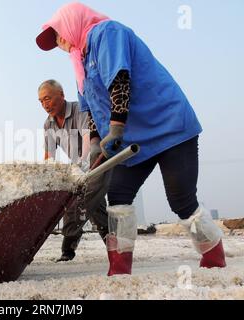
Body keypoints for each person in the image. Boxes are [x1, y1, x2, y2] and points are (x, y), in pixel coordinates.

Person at [36, 2, 226, 276]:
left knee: (181, 201)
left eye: (59, 33)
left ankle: (213, 257)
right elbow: (91, 111)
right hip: (131, 143)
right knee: (119, 198)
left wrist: (115, 127)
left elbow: (120, 80)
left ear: (72, 22)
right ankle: (119, 267)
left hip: (168, 127)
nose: (59, 42)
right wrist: (94, 144)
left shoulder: (106, 33)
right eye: (54, 40)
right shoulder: (80, 66)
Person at [39, 79, 109, 262]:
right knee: (94, 205)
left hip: (96, 159)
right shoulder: (48, 125)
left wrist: (81, 164)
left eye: (48, 98)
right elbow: (49, 155)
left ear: (61, 95)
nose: (45, 104)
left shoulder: (80, 109)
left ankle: (68, 249)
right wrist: (47, 176)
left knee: (83, 203)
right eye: (41, 101)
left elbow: (88, 138)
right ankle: (113, 246)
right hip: (77, 168)